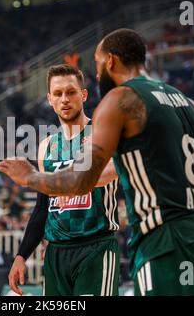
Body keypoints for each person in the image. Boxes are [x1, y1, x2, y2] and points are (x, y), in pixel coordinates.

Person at [0, 29, 194, 296]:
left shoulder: (120, 101)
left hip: (155, 241)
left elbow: (83, 180)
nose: (96, 74)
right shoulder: (186, 103)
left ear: (111, 62)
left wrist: (29, 177)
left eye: (97, 63)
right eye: (57, 94)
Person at [8, 64, 119, 296]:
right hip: (56, 254)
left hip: (95, 248)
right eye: (58, 94)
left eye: (71, 92)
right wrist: (21, 255)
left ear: (84, 94)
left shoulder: (102, 135)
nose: (64, 99)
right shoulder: (45, 147)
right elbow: (42, 208)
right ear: (49, 99)